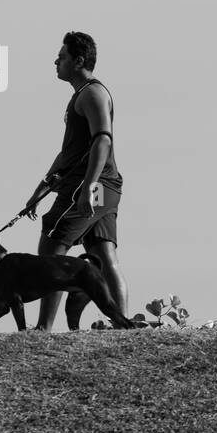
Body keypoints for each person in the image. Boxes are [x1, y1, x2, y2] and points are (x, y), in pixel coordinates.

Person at [19, 31, 129, 330]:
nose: (56, 61)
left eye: (62, 57)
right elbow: (70, 152)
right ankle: (123, 325)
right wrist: (42, 187)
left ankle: (43, 328)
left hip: (91, 185)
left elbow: (102, 141)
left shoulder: (93, 93)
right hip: (107, 187)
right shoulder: (81, 95)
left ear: (79, 60)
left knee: (52, 245)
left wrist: (89, 186)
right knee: (104, 252)